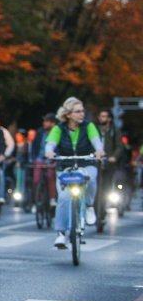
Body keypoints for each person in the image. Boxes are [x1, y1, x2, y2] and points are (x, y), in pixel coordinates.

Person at [45, 97, 104, 248]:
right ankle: (60, 234)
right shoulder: (59, 128)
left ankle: (89, 205)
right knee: (64, 198)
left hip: (86, 163)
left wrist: (99, 150)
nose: (82, 114)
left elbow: (96, 141)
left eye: (82, 111)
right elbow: (50, 144)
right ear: (68, 114)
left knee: (90, 179)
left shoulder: (88, 126)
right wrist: (49, 152)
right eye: (77, 111)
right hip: (65, 167)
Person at [95, 109, 124, 222]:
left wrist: (114, 157)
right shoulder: (95, 130)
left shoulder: (114, 131)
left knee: (106, 188)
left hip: (109, 164)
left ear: (109, 118)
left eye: (105, 116)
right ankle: (95, 210)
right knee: (94, 188)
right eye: (101, 116)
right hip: (95, 163)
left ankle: (102, 212)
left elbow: (119, 146)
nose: (103, 118)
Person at [30, 112, 58, 208]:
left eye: (47, 121)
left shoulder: (57, 132)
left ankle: (52, 199)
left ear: (53, 123)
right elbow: (34, 146)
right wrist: (33, 159)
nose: (44, 123)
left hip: (51, 160)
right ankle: (35, 201)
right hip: (39, 158)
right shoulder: (40, 131)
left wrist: (56, 161)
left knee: (51, 177)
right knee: (36, 180)